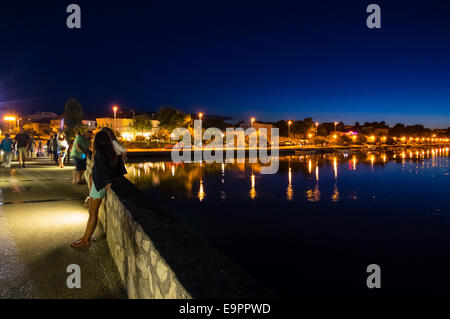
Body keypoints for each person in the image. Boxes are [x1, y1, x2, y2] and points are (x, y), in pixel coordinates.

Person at [71, 131, 127, 248]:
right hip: (98, 184)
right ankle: (85, 237)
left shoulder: (101, 154)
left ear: (98, 142)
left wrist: (108, 181)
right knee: (92, 213)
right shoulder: (108, 152)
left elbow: (104, 170)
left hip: (99, 185)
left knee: (92, 213)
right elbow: (116, 166)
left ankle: (86, 240)